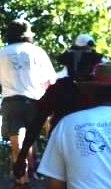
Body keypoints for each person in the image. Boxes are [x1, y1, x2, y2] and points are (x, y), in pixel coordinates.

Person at [0, 19, 57, 189]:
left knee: (17, 143)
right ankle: (31, 176)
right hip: (37, 103)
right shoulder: (38, 52)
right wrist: (53, 106)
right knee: (30, 142)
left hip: (11, 103)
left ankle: (22, 182)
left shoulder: (1, 53)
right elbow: (50, 82)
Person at [12, 35, 103, 180]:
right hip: (81, 149)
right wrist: (22, 156)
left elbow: (38, 120)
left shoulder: (64, 87)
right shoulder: (99, 90)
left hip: (78, 147)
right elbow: (38, 119)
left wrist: (22, 156)